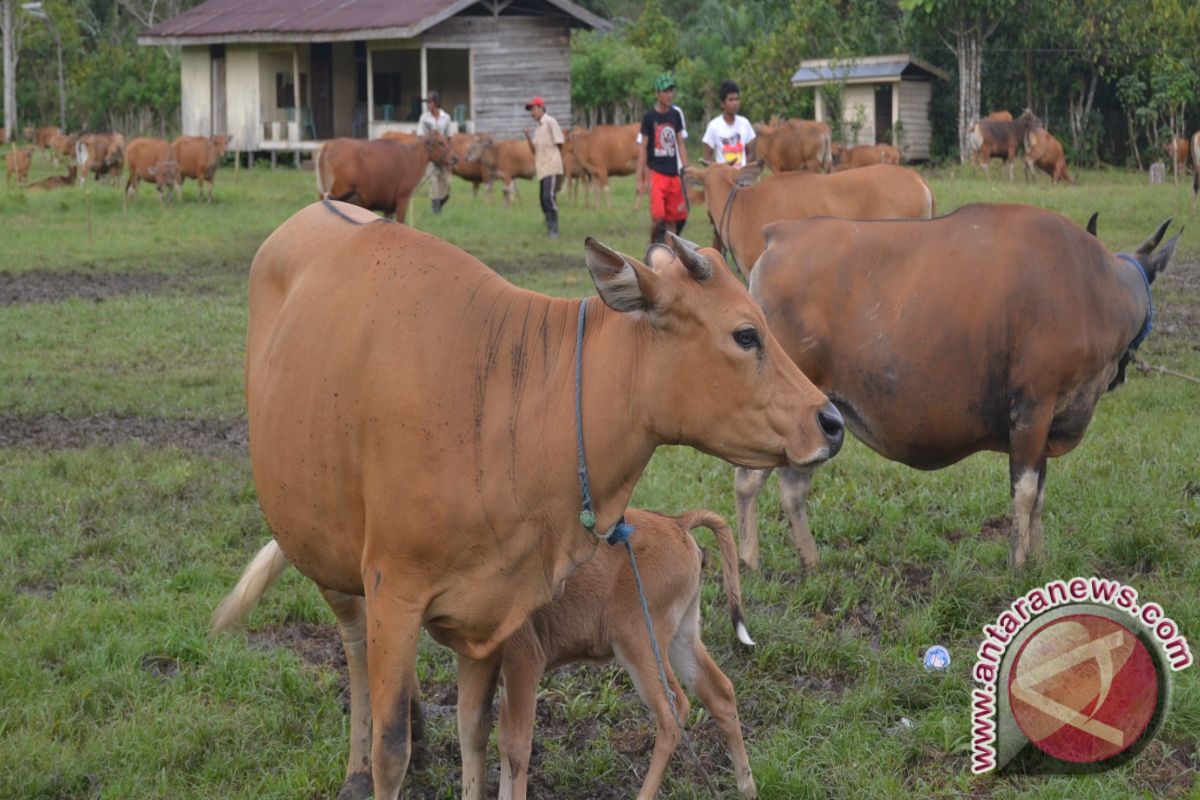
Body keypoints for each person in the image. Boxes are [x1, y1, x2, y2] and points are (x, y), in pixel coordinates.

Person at [636, 73, 690, 245]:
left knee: (674, 218)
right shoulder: (649, 117)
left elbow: (680, 143)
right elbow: (643, 148)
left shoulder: (675, 115)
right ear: (657, 93)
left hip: (674, 174)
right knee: (658, 217)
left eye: (671, 91)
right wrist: (641, 179)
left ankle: (671, 253)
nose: (669, 95)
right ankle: (652, 243)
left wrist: (686, 171)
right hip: (657, 173)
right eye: (665, 91)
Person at [523, 96, 565, 238]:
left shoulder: (550, 122)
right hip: (542, 168)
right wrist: (528, 137)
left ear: (541, 108)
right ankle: (549, 226)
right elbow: (534, 150)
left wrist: (555, 159)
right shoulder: (538, 128)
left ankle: (554, 230)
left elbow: (560, 143)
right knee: (542, 200)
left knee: (548, 197)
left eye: (533, 109)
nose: (532, 113)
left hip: (551, 166)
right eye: (531, 110)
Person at [702, 80, 756, 167]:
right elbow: (707, 156)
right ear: (722, 104)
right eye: (731, 100)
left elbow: (751, 152)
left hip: (742, 177)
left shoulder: (745, 123)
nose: (735, 103)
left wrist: (743, 168)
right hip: (723, 177)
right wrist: (720, 170)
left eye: (737, 99)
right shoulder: (714, 126)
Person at [417, 90, 454, 213]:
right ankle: (436, 211)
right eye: (427, 102)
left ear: (437, 102)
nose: (428, 104)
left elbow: (448, 138)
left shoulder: (446, 118)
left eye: (430, 102)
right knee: (434, 183)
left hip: (443, 155)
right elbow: (420, 136)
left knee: (448, 183)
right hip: (431, 155)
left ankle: (440, 204)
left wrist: (448, 156)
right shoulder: (424, 118)